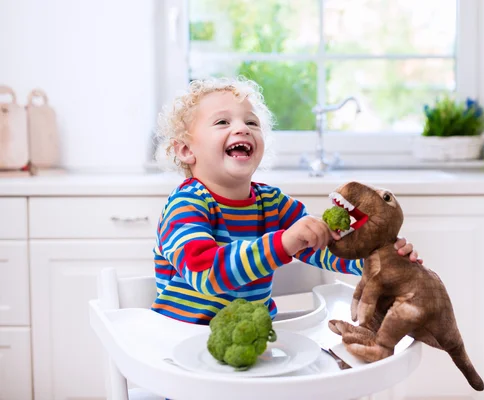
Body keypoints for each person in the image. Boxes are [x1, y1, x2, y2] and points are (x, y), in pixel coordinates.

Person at [150, 76, 423, 324]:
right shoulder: (186, 205)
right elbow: (205, 272)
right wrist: (283, 242)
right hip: (183, 344)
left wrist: (373, 261)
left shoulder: (273, 203)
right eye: (222, 122)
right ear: (186, 150)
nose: (242, 128)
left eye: (251, 122)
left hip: (257, 340)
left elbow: (320, 245)